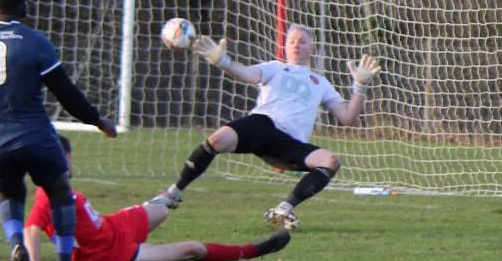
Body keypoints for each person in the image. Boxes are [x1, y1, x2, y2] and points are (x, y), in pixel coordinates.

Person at [0, 0, 117, 261]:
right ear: (25, 8)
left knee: (8, 193)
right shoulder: (35, 43)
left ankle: (17, 245)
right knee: (60, 192)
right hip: (34, 137)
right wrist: (97, 121)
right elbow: (66, 93)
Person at [152, 24, 381, 230]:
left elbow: (348, 118)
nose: (296, 45)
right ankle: (173, 193)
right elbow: (248, 74)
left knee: (330, 161)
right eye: (292, 41)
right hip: (262, 125)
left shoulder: (321, 83)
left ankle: (284, 209)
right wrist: (223, 61)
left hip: (290, 143)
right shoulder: (275, 68)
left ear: (312, 47)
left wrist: (360, 86)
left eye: (302, 41)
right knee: (217, 139)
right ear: (285, 46)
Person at [24, 136, 290, 261]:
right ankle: (252, 250)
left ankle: (168, 196)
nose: (66, 162)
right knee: (193, 249)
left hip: (114, 225)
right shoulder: (47, 193)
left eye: (66, 157)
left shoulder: (62, 186)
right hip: (111, 253)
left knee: (161, 209)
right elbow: (33, 225)